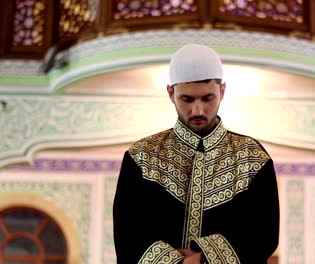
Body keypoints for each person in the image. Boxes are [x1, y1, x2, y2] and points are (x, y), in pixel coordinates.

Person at [113, 43, 280, 264]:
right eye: (187, 100)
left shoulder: (251, 157)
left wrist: (205, 260)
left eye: (207, 98)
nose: (198, 110)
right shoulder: (143, 156)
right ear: (171, 93)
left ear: (222, 91)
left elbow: (263, 235)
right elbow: (128, 236)